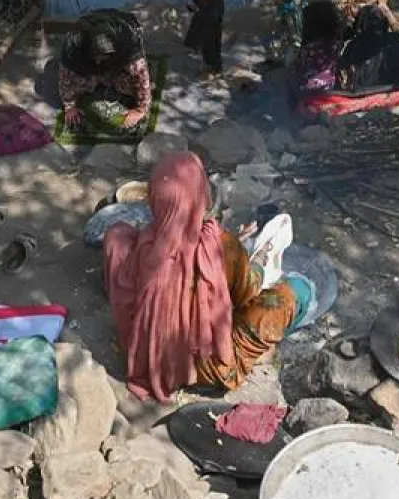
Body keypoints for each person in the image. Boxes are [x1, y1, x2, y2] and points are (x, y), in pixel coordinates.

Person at [102, 151, 311, 401]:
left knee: (117, 234)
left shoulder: (146, 243)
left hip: (145, 351)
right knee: (295, 291)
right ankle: (250, 357)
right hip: (203, 364)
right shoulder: (219, 245)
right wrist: (257, 258)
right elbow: (248, 292)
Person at [59, 8, 153, 133]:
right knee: (78, 81)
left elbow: (142, 76)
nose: (98, 62)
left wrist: (141, 109)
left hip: (116, 63)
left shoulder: (129, 42)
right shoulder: (73, 47)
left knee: (131, 84)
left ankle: (108, 72)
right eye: (96, 57)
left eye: (102, 57)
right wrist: (70, 106)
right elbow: (65, 78)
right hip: (88, 63)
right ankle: (97, 72)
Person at [291, 0, 343, 105]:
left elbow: (298, 70)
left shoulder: (310, 48)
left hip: (308, 95)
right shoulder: (337, 44)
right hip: (330, 90)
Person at [184, 0, 226, 75]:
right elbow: (195, 2)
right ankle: (207, 65)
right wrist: (191, 6)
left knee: (213, 51)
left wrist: (199, 11)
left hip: (212, 31)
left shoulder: (217, 1)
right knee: (205, 50)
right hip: (201, 28)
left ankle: (216, 69)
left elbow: (212, 17)